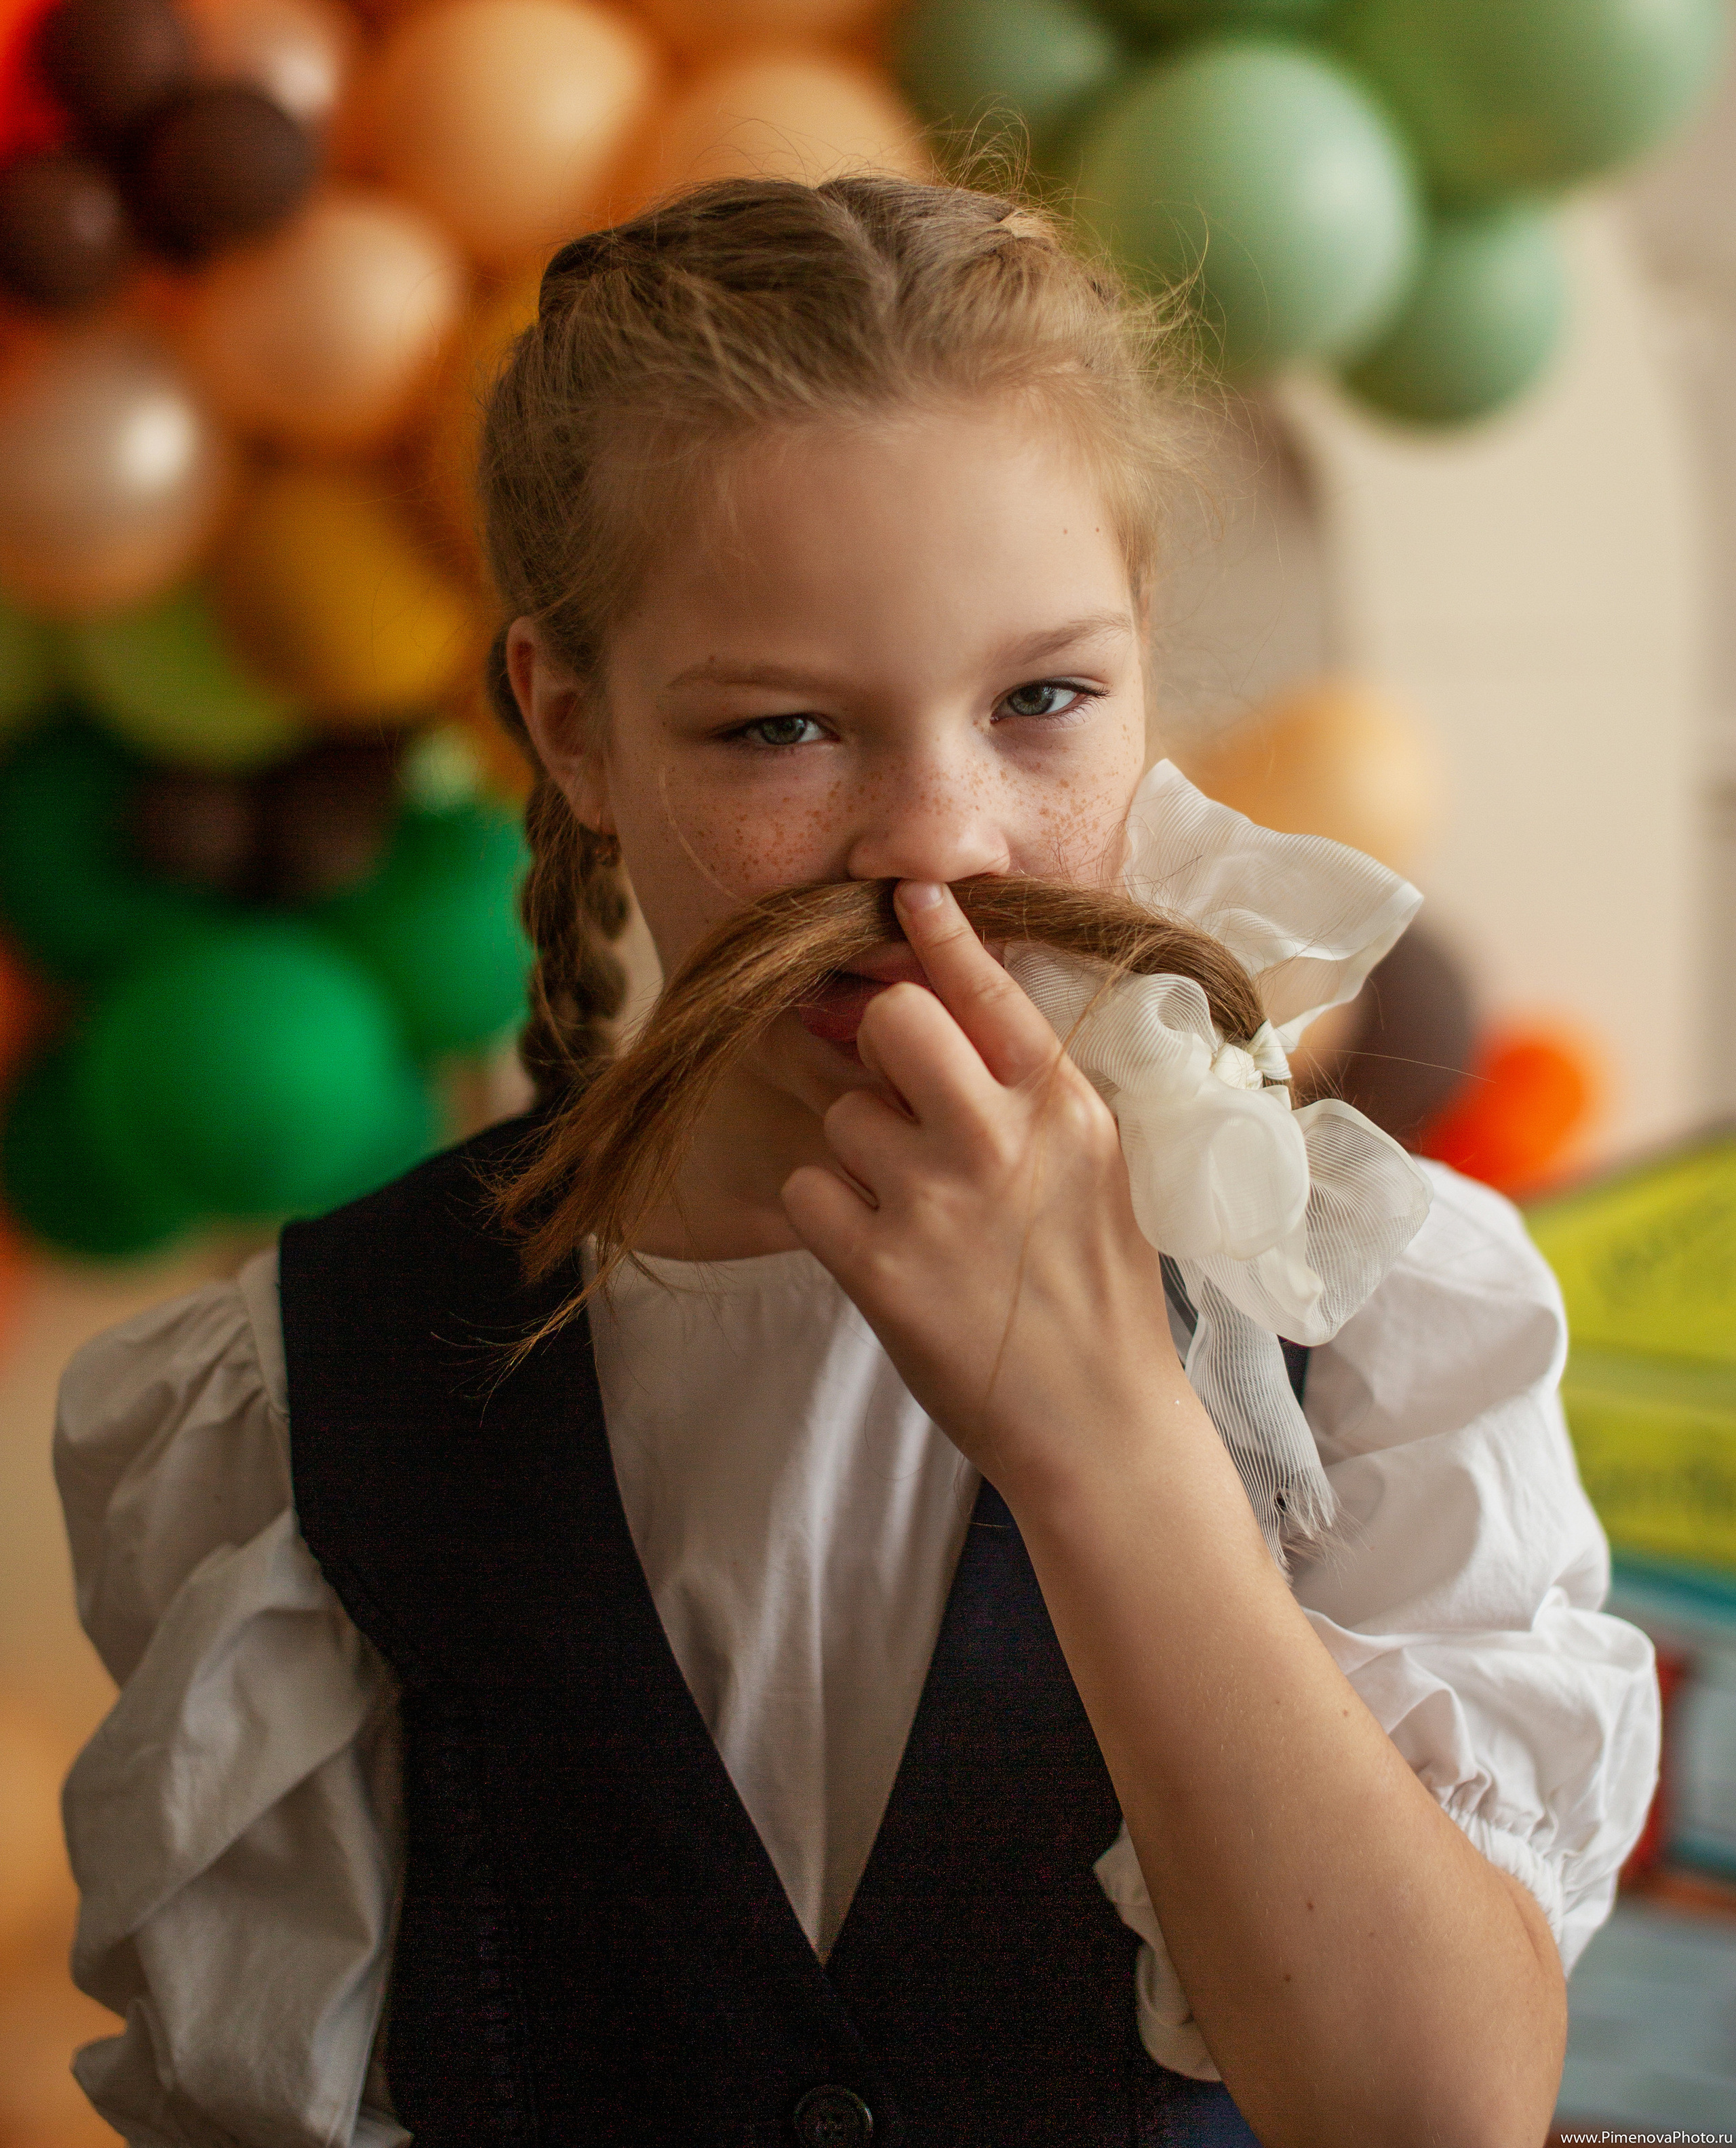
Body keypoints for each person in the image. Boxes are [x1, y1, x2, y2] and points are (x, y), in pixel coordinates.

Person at [56, 178, 1656, 2148]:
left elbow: (1430, 2112)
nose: (941, 845)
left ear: (1147, 657)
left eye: (1044, 701)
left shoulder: (1368, 1312)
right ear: (570, 725)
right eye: (784, 730)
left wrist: (1109, 1441)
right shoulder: (321, 1385)